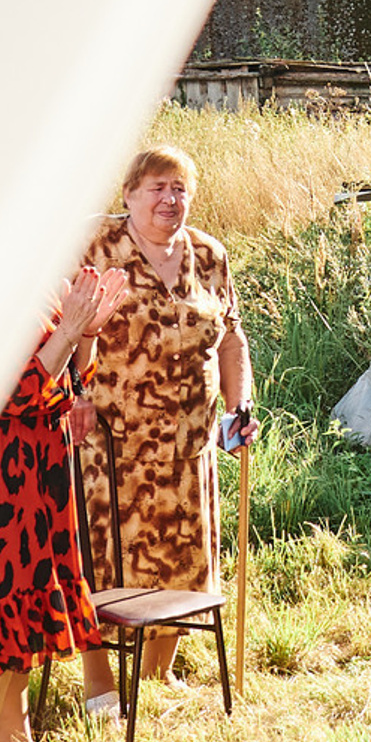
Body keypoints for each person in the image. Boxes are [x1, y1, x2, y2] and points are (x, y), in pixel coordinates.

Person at [0, 262, 129, 742]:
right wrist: (72, 331)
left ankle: (14, 734)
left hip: (42, 468)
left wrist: (87, 334)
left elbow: (72, 381)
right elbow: (16, 392)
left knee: (26, 604)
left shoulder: (43, 280)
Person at [77, 146, 256, 699]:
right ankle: (100, 681)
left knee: (183, 555)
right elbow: (60, 330)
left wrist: (239, 406)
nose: (168, 199)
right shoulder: (95, 248)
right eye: (156, 187)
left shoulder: (208, 254)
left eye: (179, 188)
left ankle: (158, 670)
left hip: (188, 443)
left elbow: (230, 338)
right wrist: (74, 393)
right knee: (104, 559)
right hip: (111, 441)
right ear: (127, 194)